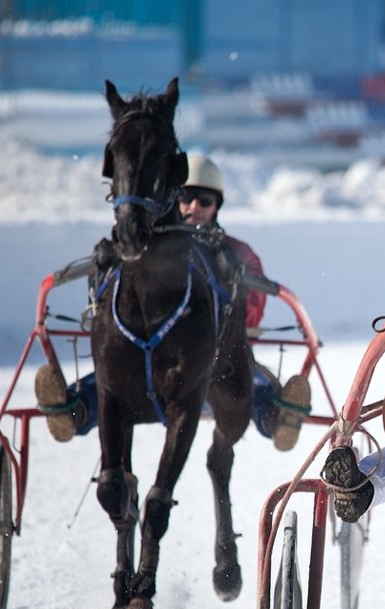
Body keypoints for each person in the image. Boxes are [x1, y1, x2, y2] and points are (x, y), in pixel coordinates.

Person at [34, 154, 310, 451]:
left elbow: (251, 312)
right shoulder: (149, 250)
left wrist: (229, 291)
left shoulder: (236, 253)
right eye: (186, 197)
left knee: (247, 382)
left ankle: (278, 419)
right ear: (172, 200)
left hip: (219, 358)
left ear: (217, 206)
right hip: (153, 359)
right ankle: (71, 412)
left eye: (204, 200)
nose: (194, 207)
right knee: (110, 382)